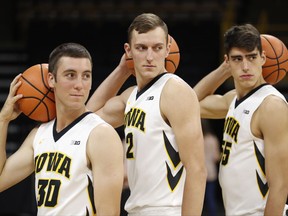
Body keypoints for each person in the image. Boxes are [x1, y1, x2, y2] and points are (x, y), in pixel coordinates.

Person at [86, 13, 207, 215]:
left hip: (167, 209)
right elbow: (88, 120)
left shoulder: (174, 90)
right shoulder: (130, 97)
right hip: (136, 208)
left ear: (168, 48)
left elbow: (197, 170)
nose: (150, 57)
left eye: (157, 48)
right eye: (141, 48)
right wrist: (122, 70)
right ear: (129, 50)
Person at [0, 43, 124, 215]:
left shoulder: (100, 134)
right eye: (70, 75)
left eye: (86, 76)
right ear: (51, 79)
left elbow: (109, 212)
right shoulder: (39, 134)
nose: (80, 85)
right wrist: (3, 120)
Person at [194, 24, 288, 215]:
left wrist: (232, 64)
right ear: (227, 60)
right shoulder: (232, 99)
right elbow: (190, 104)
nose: (246, 66)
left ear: (263, 58)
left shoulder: (271, 106)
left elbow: (280, 186)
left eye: (252, 57)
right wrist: (224, 70)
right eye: (238, 59)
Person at [202, 119, 221, 216]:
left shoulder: (198, 139)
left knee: (198, 200)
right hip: (211, 172)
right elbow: (216, 157)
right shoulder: (213, 139)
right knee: (211, 199)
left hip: (199, 172)